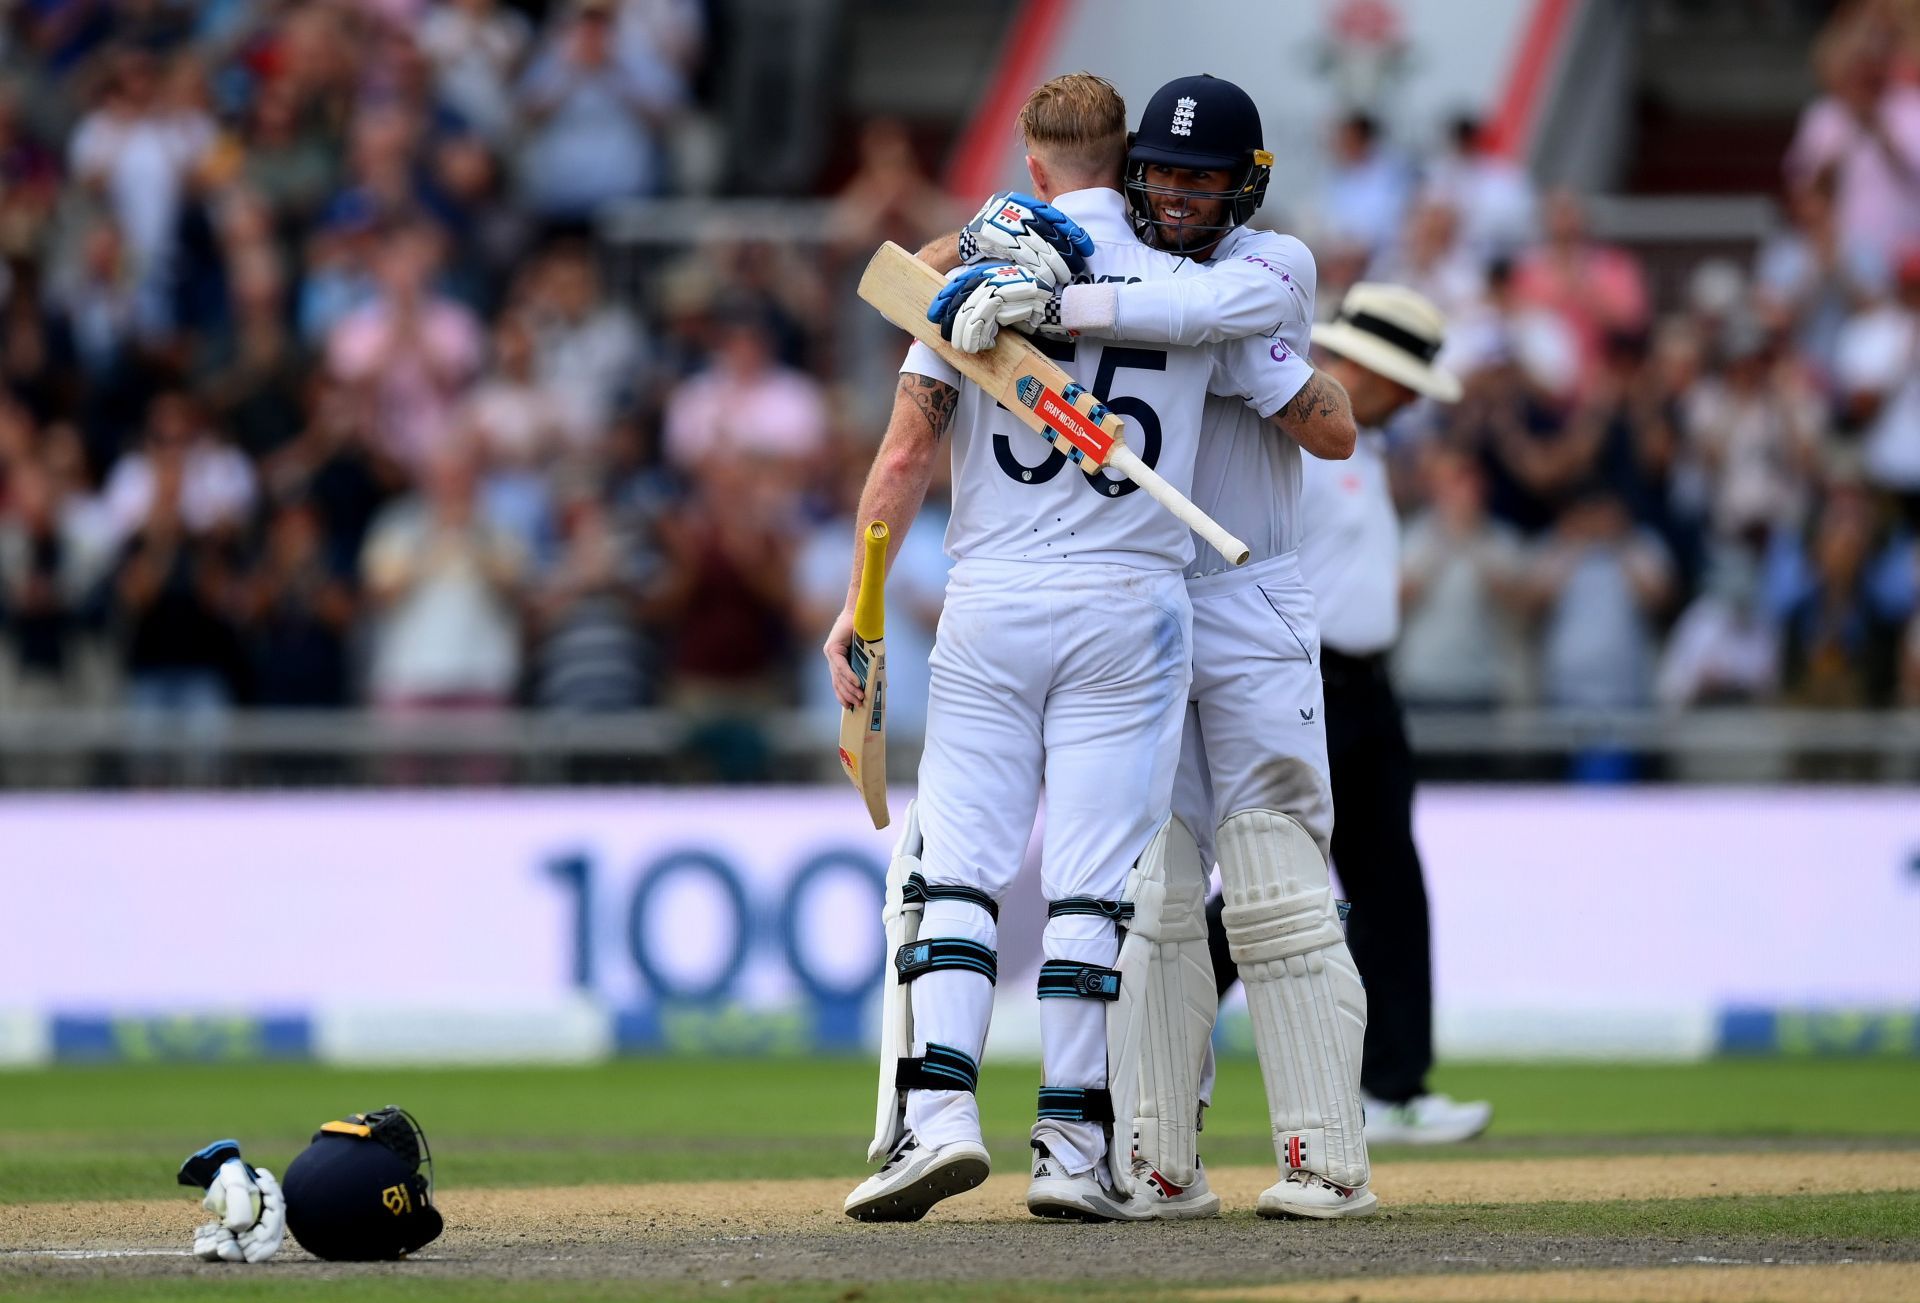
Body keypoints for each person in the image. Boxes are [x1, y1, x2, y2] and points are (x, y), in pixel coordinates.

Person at [825, 73, 1271, 1225]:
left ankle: (937, 1119)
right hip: (1133, 600)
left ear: (1031, 162)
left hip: (994, 595)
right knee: (1091, 884)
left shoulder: (971, 276)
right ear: (1127, 163)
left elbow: (899, 468)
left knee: (961, 868)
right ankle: (1071, 1147)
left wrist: (862, 607)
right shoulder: (1192, 281)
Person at [931, 73, 1364, 1219]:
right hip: (1142, 596)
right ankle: (1158, 1160)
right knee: (1152, 887)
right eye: (1160, 173)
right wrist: (986, 240)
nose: (1177, 195)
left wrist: (1050, 305)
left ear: (1245, 185)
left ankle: (1326, 1158)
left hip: (1252, 595)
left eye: (1202, 177)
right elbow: (927, 262)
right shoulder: (1074, 248)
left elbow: (1304, 397)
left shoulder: (1276, 267)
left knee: (1272, 876)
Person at [1264, 280, 1495, 1145]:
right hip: (1304, 683)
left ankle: (1393, 1087)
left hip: (1368, 687)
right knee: (1263, 887)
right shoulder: (1292, 435)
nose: (1403, 398)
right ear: (1355, 362)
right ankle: (1143, 1055)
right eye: (1396, 378)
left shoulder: (1365, 446)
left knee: (1391, 886)